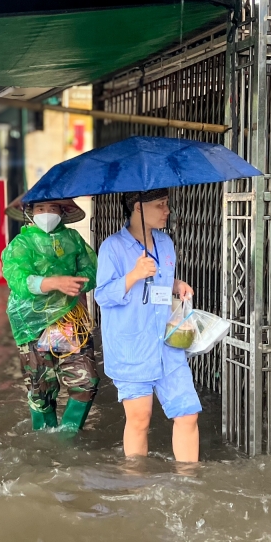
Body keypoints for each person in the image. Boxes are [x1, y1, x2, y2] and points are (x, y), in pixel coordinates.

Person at [94, 189, 199, 462]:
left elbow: (161, 282)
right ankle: (135, 484)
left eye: (166, 204)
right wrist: (133, 275)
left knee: (187, 413)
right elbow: (102, 295)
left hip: (166, 344)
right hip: (132, 346)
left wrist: (177, 285)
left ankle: (189, 482)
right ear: (138, 208)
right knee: (140, 418)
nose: (168, 210)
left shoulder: (165, 243)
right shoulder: (113, 247)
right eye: (160, 205)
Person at [1, 196, 99, 434]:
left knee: (86, 381)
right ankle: (44, 439)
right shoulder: (21, 243)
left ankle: (67, 437)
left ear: (63, 211)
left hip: (69, 321)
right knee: (41, 389)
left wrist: (78, 282)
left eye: (52, 208)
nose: (46, 213)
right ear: (30, 212)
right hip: (33, 324)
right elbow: (18, 280)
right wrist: (53, 282)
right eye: (40, 208)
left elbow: (91, 269)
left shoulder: (73, 239)